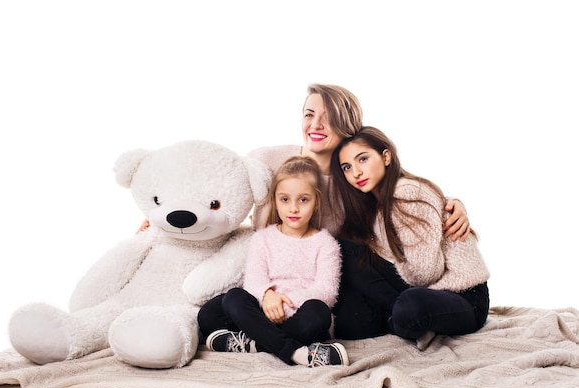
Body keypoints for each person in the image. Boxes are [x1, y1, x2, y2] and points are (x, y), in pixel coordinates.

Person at [137, 83, 472, 239]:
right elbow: (217, 197)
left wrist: (451, 204)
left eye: (327, 118)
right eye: (309, 114)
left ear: (348, 125)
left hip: (323, 277)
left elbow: (401, 188)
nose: (315, 125)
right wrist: (168, 220)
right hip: (263, 268)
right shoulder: (266, 160)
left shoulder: (356, 177)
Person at [330, 126, 490, 349]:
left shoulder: (404, 192)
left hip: (465, 297)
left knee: (409, 306)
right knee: (352, 323)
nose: (356, 172)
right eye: (347, 167)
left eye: (363, 159)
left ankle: (401, 316)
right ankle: (400, 318)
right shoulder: (376, 205)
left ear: (386, 157)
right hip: (430, 292)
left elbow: (426, 273)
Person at [198, 156, 347, 367]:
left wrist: (283, 303)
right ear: (276, 201)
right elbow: (254, 280)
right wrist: (268, 297)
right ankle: (296, 353)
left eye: (303, 199)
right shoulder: (263, 238)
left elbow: (327, 291)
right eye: (285, 199)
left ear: (316, 202)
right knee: (229, 300)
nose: (293, 208)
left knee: (319, 313)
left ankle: (252, 343)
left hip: (300, 314)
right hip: (263, 309)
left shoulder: (326, 244)